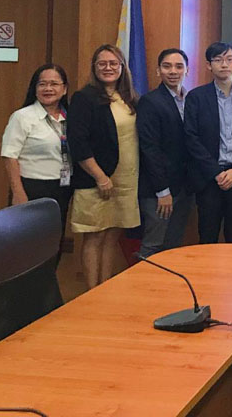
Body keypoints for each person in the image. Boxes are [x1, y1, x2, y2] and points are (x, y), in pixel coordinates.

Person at [67, 44, 140, 289]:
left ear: (122, 68)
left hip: (125, 179)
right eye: (102, 64)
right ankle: (90, 292)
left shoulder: (129, 98)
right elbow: (78, 142)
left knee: (112, 235)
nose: (108, 68)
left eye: (113, 63)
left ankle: (104, 289)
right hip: (97, 179)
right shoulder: (84, 98)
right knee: (95, 235)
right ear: (94, 68)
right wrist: (99, 176)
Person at [184, 42, 232, 244]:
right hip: (209, 180)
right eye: (218, 60)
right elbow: (191, 138)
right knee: (207, 236)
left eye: (228, 60)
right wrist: (215, 172)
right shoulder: (196, 97)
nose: (224, 65)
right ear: (209, 65)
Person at [1, 63, 72, 236]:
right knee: (30, 243)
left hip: (63, 187)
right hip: (33, 187)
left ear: (64, 89)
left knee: (55, 241)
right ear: (35, 88)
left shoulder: (70, 117)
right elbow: (9, 156)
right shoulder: (22, 117)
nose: (48, 88)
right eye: (42, 84)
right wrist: (18, 193)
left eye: (54, 84)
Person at [136, 48, 193, 257]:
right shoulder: (150, 101)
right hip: (158, 191)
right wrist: (163, 191)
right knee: (153, 244)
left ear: (187, 70)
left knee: (173, 245)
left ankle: (166, 289)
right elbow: (149, 149)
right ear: (158, 70)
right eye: (167, 66)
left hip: (184, 188)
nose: (173, 71)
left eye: (179, 66)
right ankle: (145, 288)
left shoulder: (191, 99)